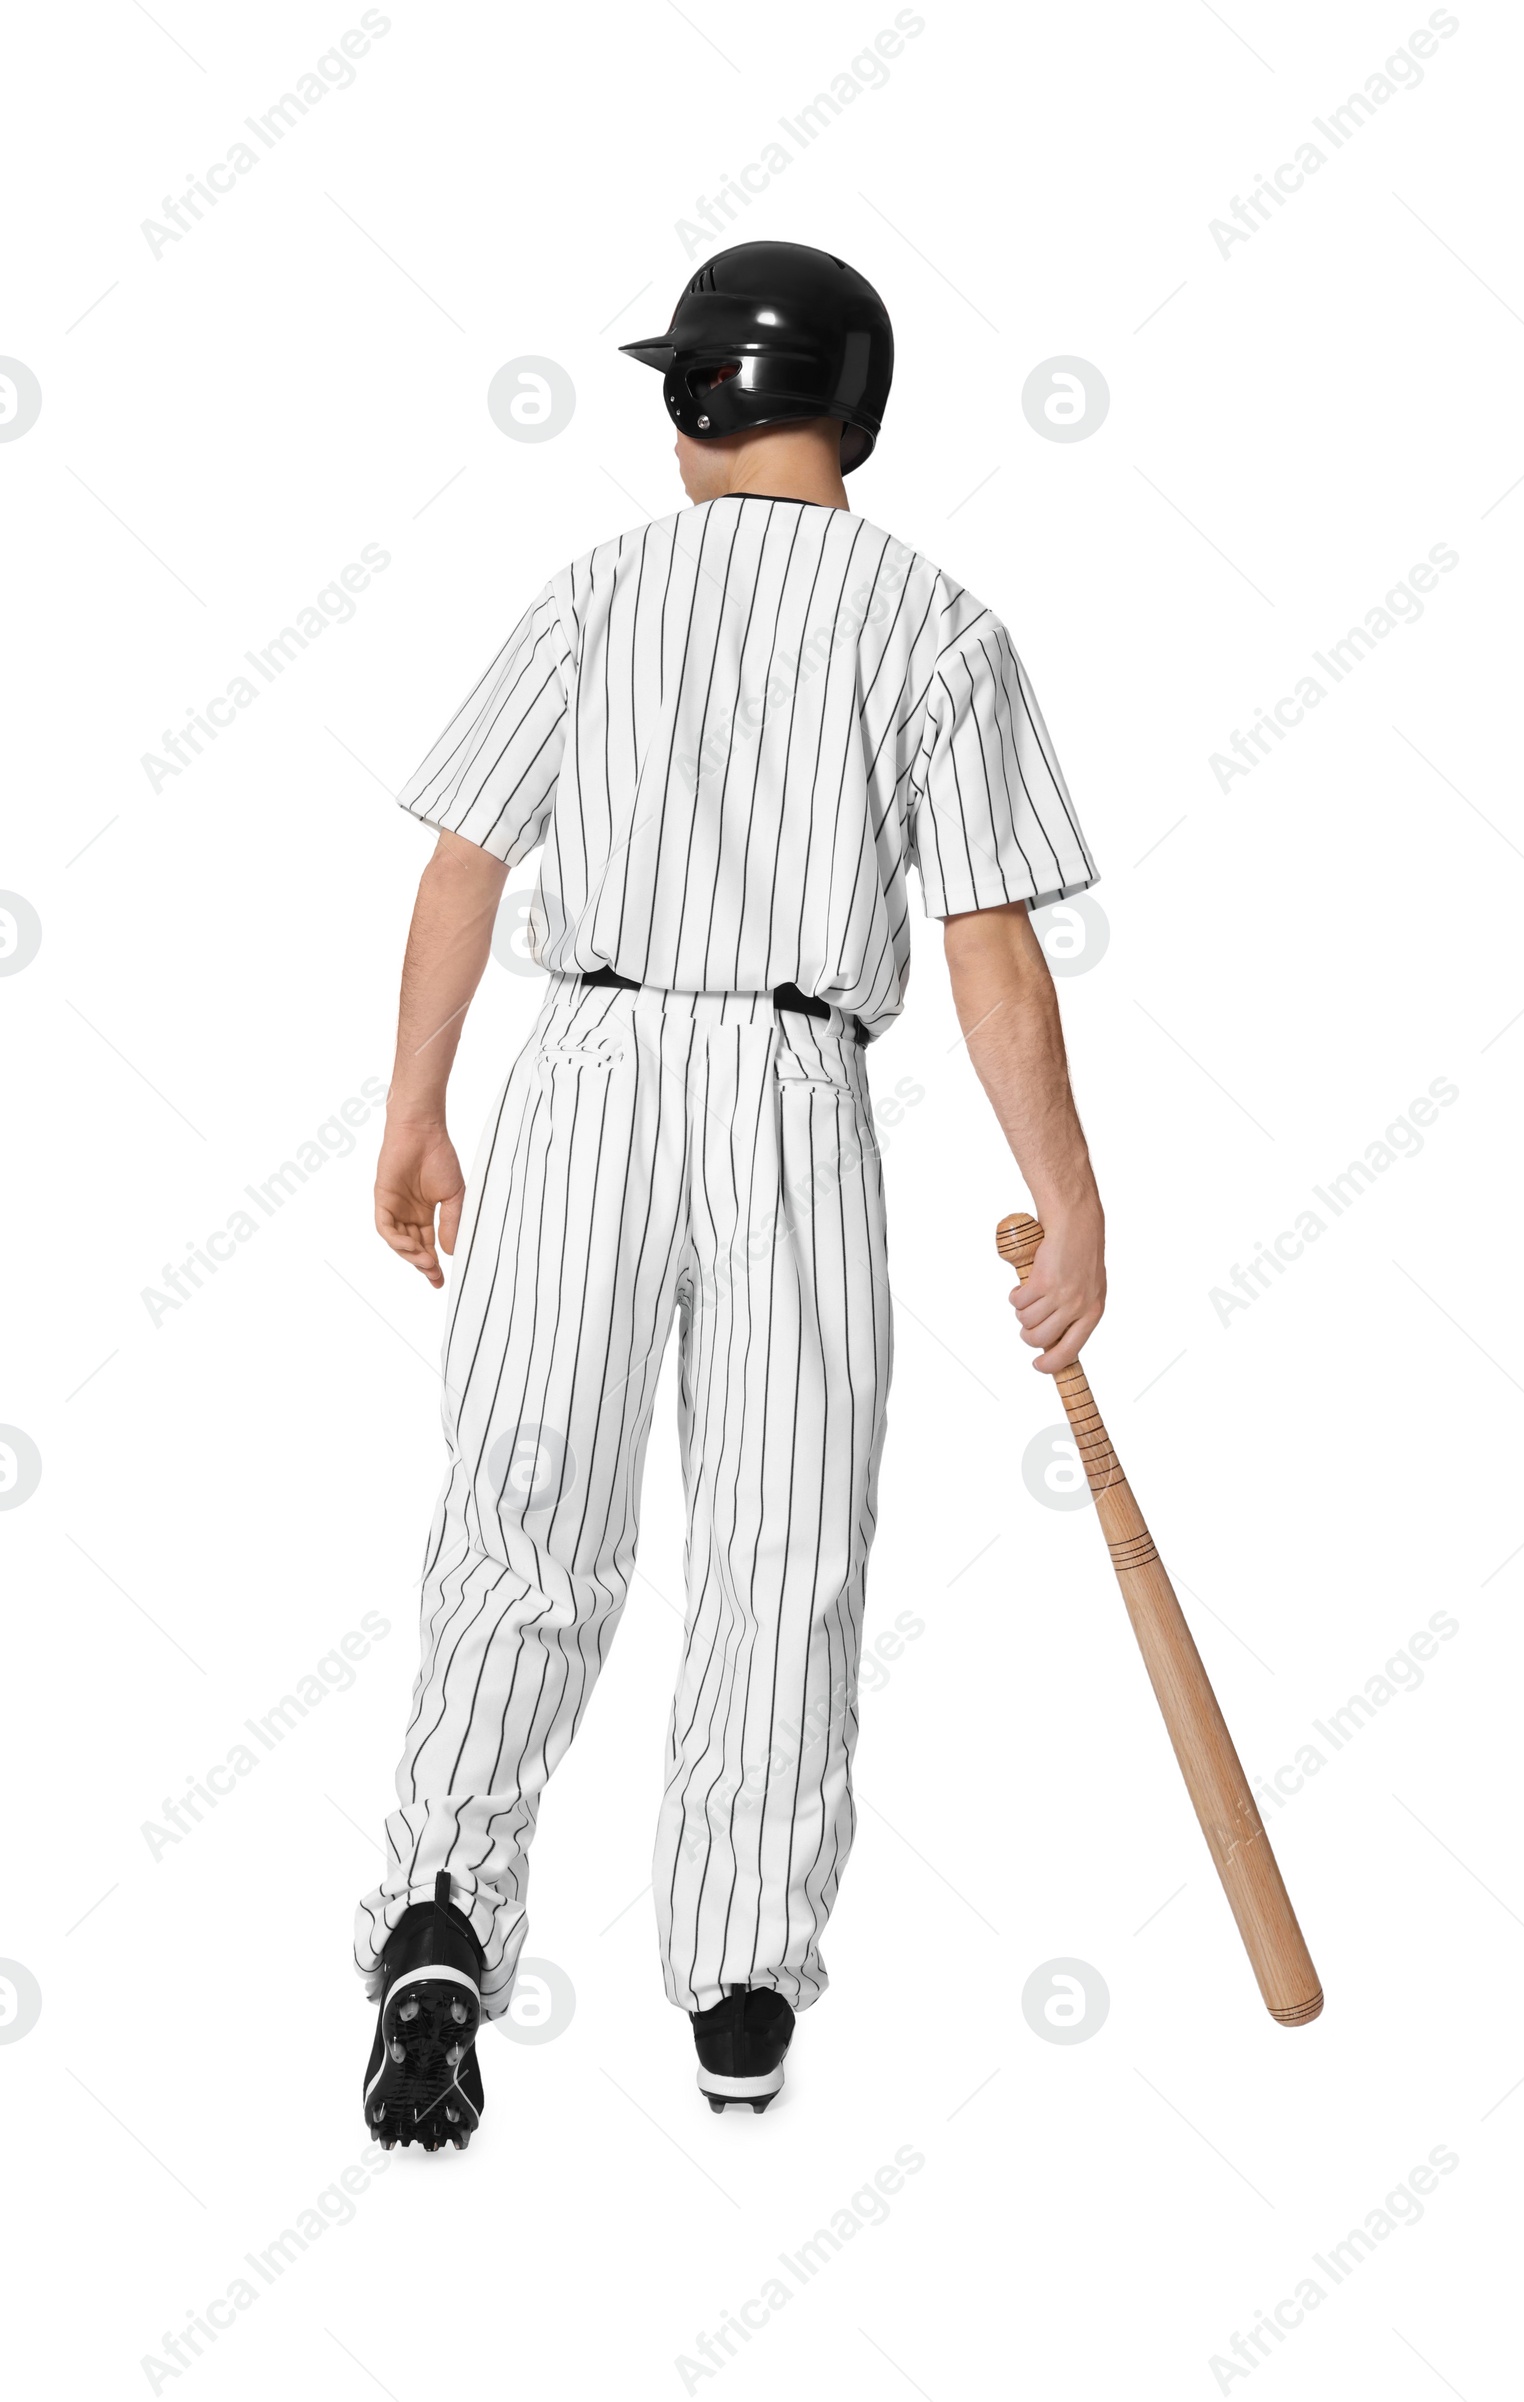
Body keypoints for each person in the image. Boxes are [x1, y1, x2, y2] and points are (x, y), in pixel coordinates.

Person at [355, 239, 1105, 2149]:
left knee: (529, 1498)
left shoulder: (599, 590)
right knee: (783, 1535)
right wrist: (1070, 1196)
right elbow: (993, 953)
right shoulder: (937, 623)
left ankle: (445, 1908)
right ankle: (742, 1988)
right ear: (847, 406)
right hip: (792, 1084)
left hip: (588, 1066)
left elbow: (463, 864)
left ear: (705, 396)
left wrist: (417, 1111)